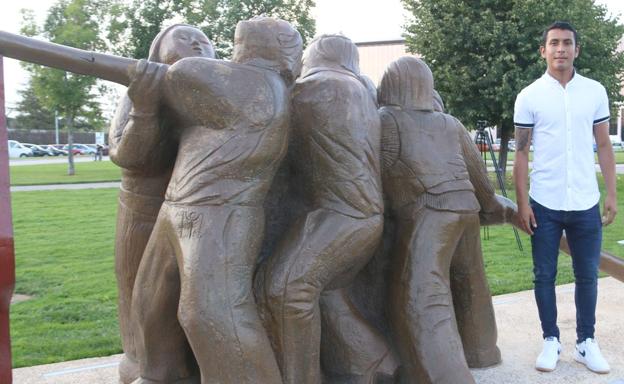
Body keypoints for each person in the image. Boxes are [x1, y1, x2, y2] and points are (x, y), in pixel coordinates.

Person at [127, 17, 303, 384]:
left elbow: (185, 72)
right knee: (150, 301)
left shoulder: (254, 82)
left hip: (219, 215)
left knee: (211, 312)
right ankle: (159, 374)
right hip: (177, 207)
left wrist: (148, 87)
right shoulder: (236, 81)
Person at [255, 34, 391, 384]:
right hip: (355, 217)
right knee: (326, 291)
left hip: (342, 217)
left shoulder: (317, 87)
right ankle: (371, 359)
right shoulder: (360, 89)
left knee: (286, 290)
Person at [378, 56, 519, 383]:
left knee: (421, 295)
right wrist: (491, 206)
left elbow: (375, 174)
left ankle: (444, 376)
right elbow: (480, 181)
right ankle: (481, 349)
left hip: (426, 213)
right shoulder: (451, 124)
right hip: (465, 208)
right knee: (471, 281)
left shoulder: (386, 120)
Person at [108, 24, 217, 383]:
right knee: (141, 289)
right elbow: (127, 156)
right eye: (185, 37)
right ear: (159, 49)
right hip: (145, 209)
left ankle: (192, 365)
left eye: (204, 40)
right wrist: (144, 107)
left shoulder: (217, 89)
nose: (198, 42)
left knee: (193, 294)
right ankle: (142, 362)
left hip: (197, 212)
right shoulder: (140, 89)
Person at [513, 21, 617, 374]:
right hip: (545, 202)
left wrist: (611, 194)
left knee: (587, 274)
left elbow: (603, 144)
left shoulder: (595, 91)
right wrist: (523, 203)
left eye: (567, 43)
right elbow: (523, 153)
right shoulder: (529, 96)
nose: (561, 48)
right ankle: (550, 340)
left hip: (585, 201)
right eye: (554, 43)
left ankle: (586, 343)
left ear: (577, 50)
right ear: (543, 50)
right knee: (544, 274)